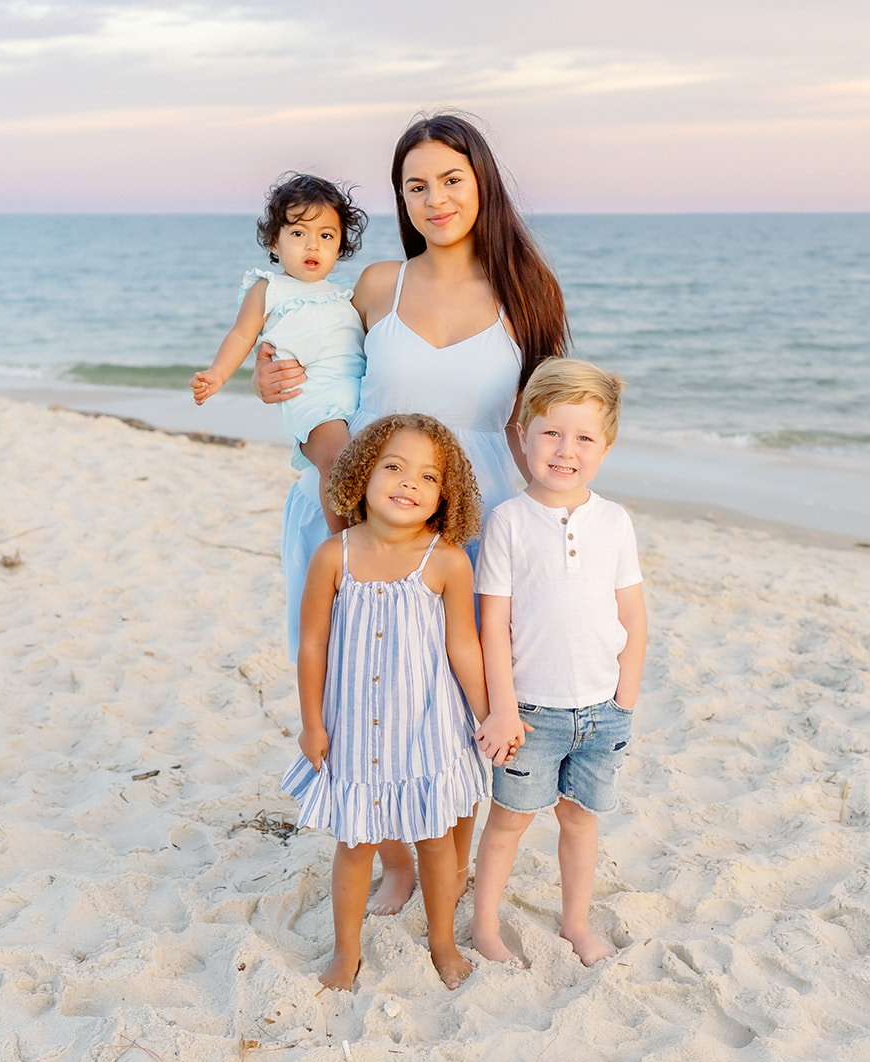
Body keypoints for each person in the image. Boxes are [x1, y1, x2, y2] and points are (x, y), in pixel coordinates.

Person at [256, 113, 568, 915]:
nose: (435, 199)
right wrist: (275, 379)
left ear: (482, 183)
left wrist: (556, 527)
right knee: (358, 692)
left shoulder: (527, 292)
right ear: (400, 197)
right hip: (360, 508)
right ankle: (394, 857)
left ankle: (447, 865)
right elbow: (319, 380)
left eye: (451, 180)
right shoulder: (375, 286)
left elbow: (539, 421)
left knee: (452, 701)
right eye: (415, 185)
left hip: (478, 511)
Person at [281, 413, 496, 990]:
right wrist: (310, 723)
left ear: (444, 496)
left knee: (435, 841)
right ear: (363, 473)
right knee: (355, 844)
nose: (408, 483)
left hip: (429, 728)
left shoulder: (447, 559)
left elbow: (464, 648)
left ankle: (443, 942)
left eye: (428, 477)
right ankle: (346, 954)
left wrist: (490, 715)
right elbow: (312, 644)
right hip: (354, 730)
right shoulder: (335, 555)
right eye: (394, 467)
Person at [470, 359, 647, 967]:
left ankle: (576, 922)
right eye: (550, 432)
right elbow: (493, 624)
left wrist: (625, 698)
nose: (565, 450)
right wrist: (500, 710)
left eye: (584, 437)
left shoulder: (615, 521)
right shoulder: (508, 522)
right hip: (530, 711)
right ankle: (486, 927)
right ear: (522, 433)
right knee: (510, 822)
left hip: (602, 711)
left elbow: (634, 617)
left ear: (607, 445)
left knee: (580, 819)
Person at [192, 173, 369, 533]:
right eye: (298, 234)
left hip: (357, 393)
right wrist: (218, 374)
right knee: (337, 460)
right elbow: (242, 335)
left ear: (340, 247)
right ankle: (346, 545)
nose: (312, 246)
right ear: (275, 243)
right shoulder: (268, 289)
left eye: (326, 236)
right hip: (311, 396)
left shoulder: (342, 293)